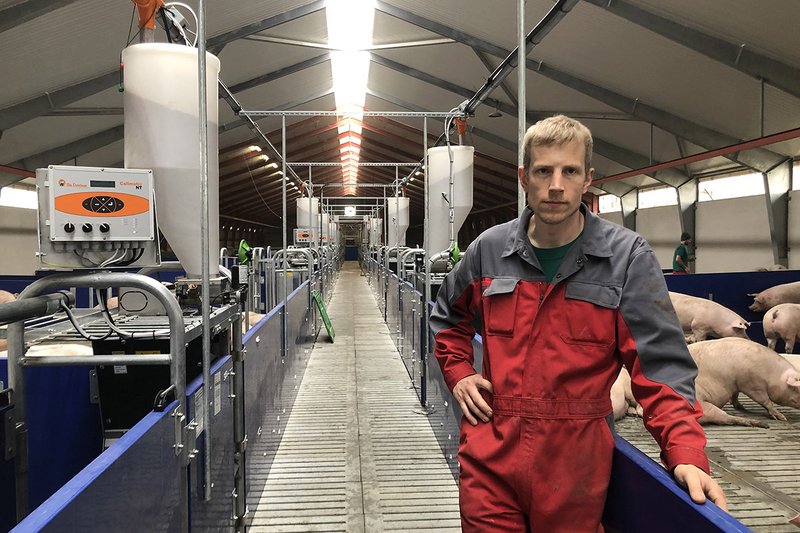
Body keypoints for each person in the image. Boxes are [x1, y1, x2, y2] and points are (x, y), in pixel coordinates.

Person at [430, 115, 726, 532]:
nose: (556, 185)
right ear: (523, 178)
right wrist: (459, 372)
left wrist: (685, 452)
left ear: (588, 178)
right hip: (490, 453)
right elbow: (447, 319)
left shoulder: (626, 258)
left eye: (569, 171)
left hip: (576, 465)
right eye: (543, 171)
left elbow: (660, 366)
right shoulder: (488, 251)